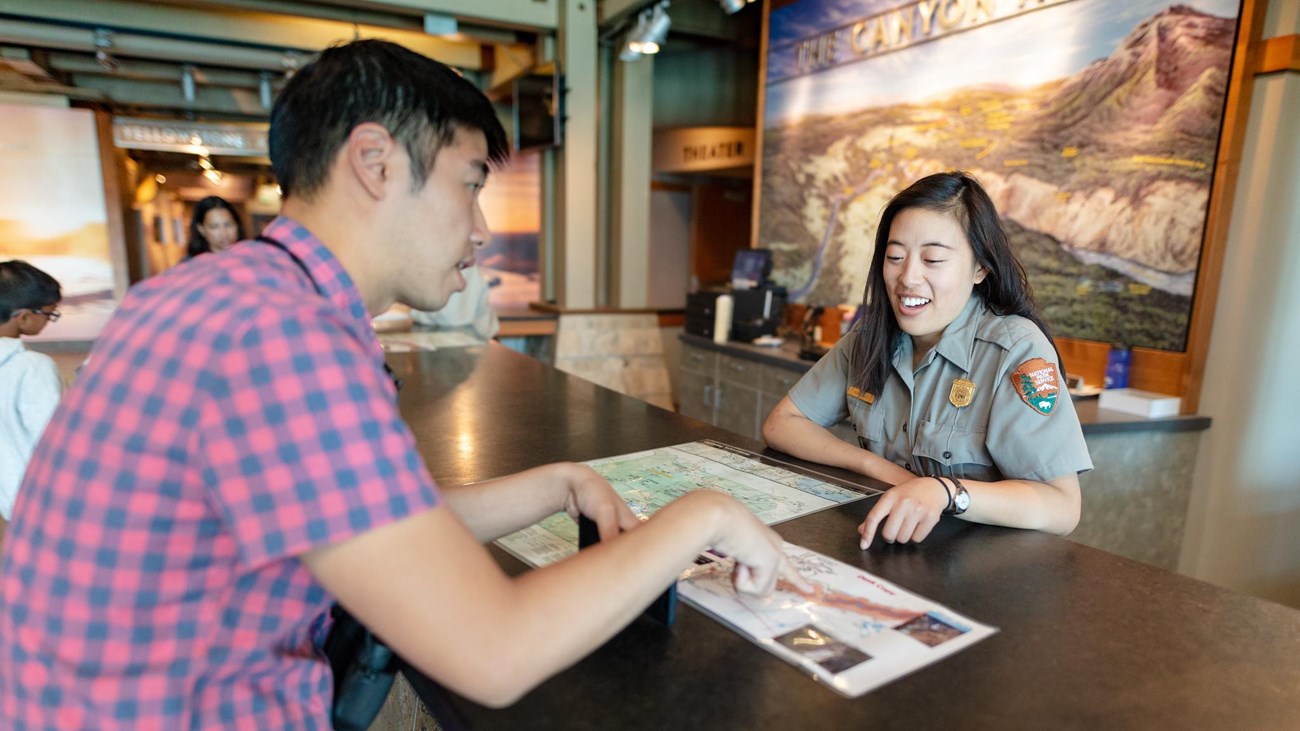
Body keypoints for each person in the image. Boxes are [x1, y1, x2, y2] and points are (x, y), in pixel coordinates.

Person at [0, 39, 806, 729]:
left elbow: (370, 524)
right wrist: (703, 513)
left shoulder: (222, 295)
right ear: (377, 163)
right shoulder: (284, 336)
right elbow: (493, 649)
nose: (483, 227)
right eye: (469, 182)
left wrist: (563, 481)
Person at [763, 171, 1091, 550]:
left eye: (933, 259)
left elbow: (1062, 507)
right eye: (895, 257)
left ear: (980, 269)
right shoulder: (872, 338)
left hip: (978, 566)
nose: (908, 278)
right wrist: (874, 467)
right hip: (888, 544)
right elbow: (783, 423)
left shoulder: (1016, 350)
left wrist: (945, 492)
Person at [0, 260, 63, 546]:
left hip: (8, 499)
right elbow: (53, 440)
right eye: (50, 314)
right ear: (24, 317)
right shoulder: (32, 366)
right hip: (44, 500)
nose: (50, 319)